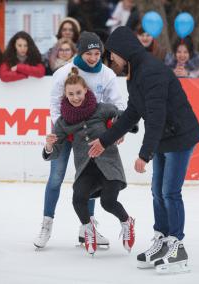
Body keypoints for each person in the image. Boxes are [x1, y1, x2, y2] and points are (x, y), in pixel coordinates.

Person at [88, 26, 199, 273]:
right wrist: (105, 140)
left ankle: (177, 247)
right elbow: (132, 113)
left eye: (112, 55)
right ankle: (162, 239)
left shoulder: (151, 72)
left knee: (170, 192)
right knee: (157, 191)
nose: (111, 61)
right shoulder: (135, 72)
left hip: (180, 136)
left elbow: (156, 115)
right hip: (164, 136)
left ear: (123, 51)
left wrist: (144, 154)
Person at [34, 31, 124, 249]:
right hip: (65, 132)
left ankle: (87, 230)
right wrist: (64, 130)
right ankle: (46, 225)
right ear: (80, 52)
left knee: (90, 178)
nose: (93, 58)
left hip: (93, 136)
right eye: (88, 54)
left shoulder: (107, 74)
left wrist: (116, 130)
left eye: (97, 53)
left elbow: (117, 106)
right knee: (55, 178)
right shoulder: (64, 72)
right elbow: (55, 104)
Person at [43, 67, 135, 255]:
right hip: (86, 170)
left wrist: (119, 127)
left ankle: (127, 222)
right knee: (78, 199)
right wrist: (49, 146)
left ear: (86, 90)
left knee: (108, 202)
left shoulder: (100, 109)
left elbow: (124, 117)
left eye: (78, 92)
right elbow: (56, 151)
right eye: (71, 94)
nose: (75, 97)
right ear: (65, 95)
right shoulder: (63, 122)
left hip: (109, 166)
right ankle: (88, 229)